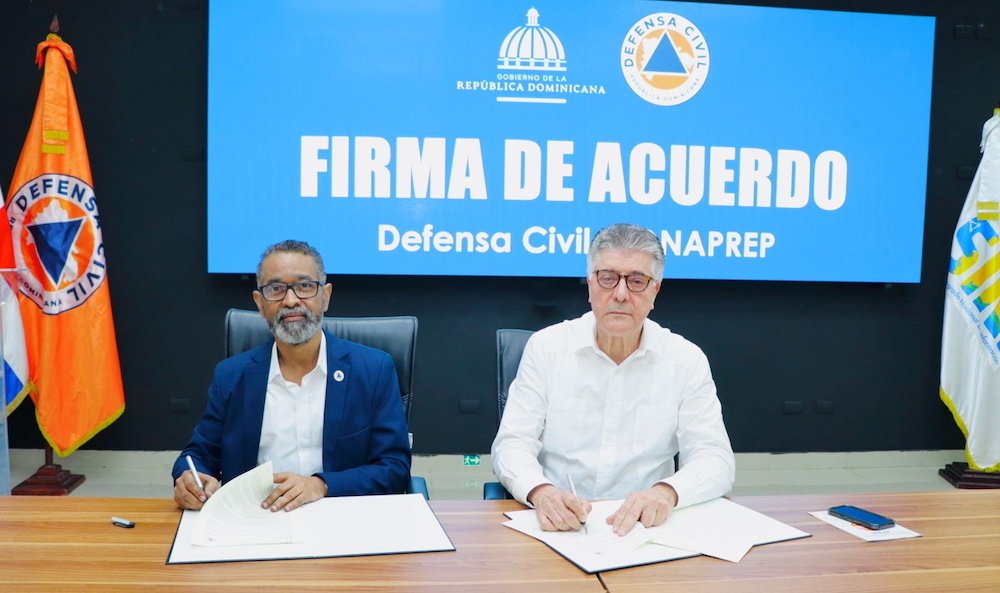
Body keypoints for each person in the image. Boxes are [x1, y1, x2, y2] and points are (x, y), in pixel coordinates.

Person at [491, 223, 735, 535]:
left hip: (645, 530)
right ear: (590, 284)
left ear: (655, 291)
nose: (620, 294)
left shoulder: (685, 360)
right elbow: (512, 443)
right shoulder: (547, 348)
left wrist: (666, 493)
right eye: (608, 278)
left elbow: (715, 458)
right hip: (559, 526)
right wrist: (542, 493)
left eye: (637, 281)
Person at [172, 240, 411, 512]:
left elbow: (394, 468)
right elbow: (198, 455)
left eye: (305, 286)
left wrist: (321, 485)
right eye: (275, 289)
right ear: (260, 304)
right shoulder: (231, 376)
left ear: (326, 296)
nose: (290, 300)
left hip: (340, 515)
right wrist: (189, 479)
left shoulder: (373, 370)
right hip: (257, 517)